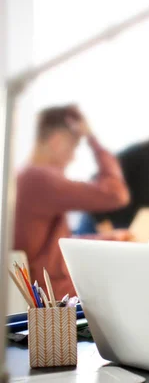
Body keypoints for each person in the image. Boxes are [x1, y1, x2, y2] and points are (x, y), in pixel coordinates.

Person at [14, 105, 131, 299]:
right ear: (57, 142)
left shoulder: (26, 177)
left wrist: (111, 238)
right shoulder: (40, 178)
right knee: (131, 281)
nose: (73, 157)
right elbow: (117, 194)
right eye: (74, 147)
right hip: (49, 296)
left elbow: (54, 248)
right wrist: (92, 139)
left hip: (46, 287)